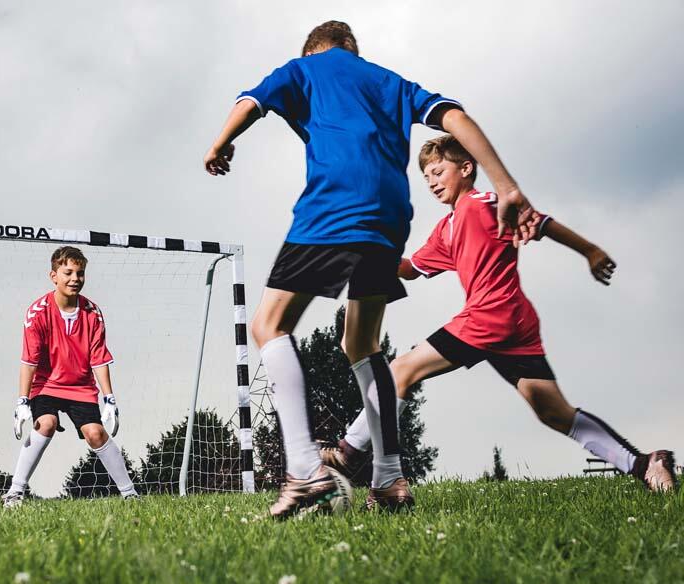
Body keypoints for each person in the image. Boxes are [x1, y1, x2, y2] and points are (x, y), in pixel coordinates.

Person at [204, 20, 539, 518]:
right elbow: (454, 117)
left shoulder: (305, 68)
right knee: (362, 344)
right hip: (389, 217)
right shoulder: (389, 81)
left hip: (333, 206)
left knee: (268, 325)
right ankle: (389, 478)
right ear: (353, 50)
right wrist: (506, 184)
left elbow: (250, 102)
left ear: (317, 49)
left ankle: (303, 469)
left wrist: (221, 142)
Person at [323, 135, 677, 492]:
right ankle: (646, 463)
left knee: (399, 371)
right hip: (512, 322)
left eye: (438, 171)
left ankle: (349, 452)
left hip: (490, 315)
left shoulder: (484, 204)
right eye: (426, 176)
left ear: (466, 168)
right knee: (553, 412)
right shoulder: (446, 227)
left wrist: (590, 251)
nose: (431, 181)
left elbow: (540, 222)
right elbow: (411, 267)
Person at [1, 246, 138, 507]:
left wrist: (109, 398)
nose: (75, 278)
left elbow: (98, 357)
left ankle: (130, 494)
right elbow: (29, 360)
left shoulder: (92, 313)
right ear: (53, 276)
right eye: (68, 272)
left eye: (80, 273)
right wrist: (22, 401)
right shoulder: (37, 313)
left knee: (96, 433)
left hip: (80, 386)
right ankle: (15, 493)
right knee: (46, 423)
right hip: (46, 384)